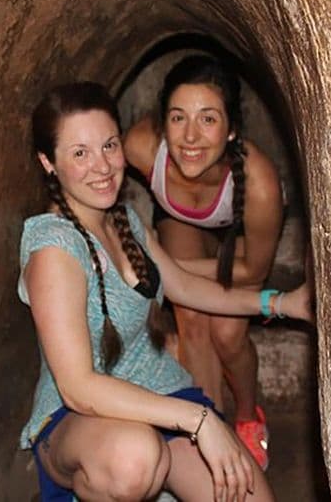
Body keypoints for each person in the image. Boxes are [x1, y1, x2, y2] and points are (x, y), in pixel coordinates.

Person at [18, 81, 311, 501]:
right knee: (134, 457)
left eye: (109, 146)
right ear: (49, 162)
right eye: (80, 153)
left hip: (158, 393)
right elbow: (78, 387)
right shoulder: (54, 248)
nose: (101, 166)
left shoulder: (124, 220)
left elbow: (185, 286)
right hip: (80, 421)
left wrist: (282, 303)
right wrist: (199, 420)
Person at [123, 55, 286, 470]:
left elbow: (253, 270)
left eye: (208, 119)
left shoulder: (260, 183)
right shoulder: (141, 146)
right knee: (192, 318)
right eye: (178, 118)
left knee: (228, 334)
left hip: (237, 242)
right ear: (163, 123)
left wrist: (161, 265)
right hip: (181, 222)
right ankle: (208, 426)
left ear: (231, 129)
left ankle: (247, 415)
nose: (190, 136)